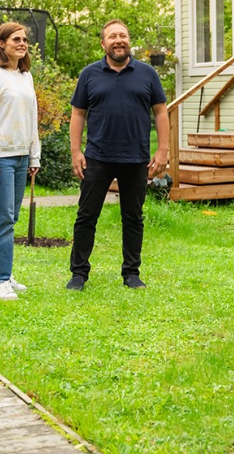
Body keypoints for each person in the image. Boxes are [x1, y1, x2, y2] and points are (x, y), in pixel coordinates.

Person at [65, 20, 169, 291]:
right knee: (87, 216)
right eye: (112, 36)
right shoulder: (89, 74)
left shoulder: (147, 74)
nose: (118, 40)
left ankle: (131, 273)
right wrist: (76, 151)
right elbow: (78, 114)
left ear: (129, 41)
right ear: (103, 44)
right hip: (97, 157)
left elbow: (160, 111)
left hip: (136, 158)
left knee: (133, 217)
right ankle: (78, 274)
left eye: (123, 35)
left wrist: (163, 150)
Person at [0, 22, 41, 301]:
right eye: (16, 39)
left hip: (22, 155)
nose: (22, 43)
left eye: (25, 39)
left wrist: (34, 154)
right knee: (3, 219)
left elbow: (32, 117)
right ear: (1, 43)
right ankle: (1, 280)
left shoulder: (25, 76)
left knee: (9, 218)